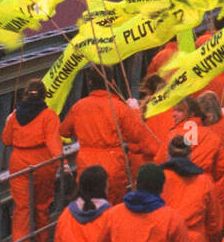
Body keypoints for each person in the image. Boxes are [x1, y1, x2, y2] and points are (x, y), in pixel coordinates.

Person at [60, 71, 159, 202]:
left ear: (90, 83)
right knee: (113, 206)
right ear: (112, 82)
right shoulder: (119, 107)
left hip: (86, 164)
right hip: (112, 163)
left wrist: (83, 129)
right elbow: (136, 135)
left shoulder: (78, 107)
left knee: (88, 205)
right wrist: (135, 111)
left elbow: (64, 130)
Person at [2, 80, 62, 242]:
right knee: (41, 209)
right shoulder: (48, 115)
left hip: (18, 162)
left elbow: (6, 140)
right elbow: (53, 142)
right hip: (42, 162)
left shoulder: (14, 116)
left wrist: (10, 120)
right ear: (45, 95)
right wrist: (62, 162)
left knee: (22, 207)